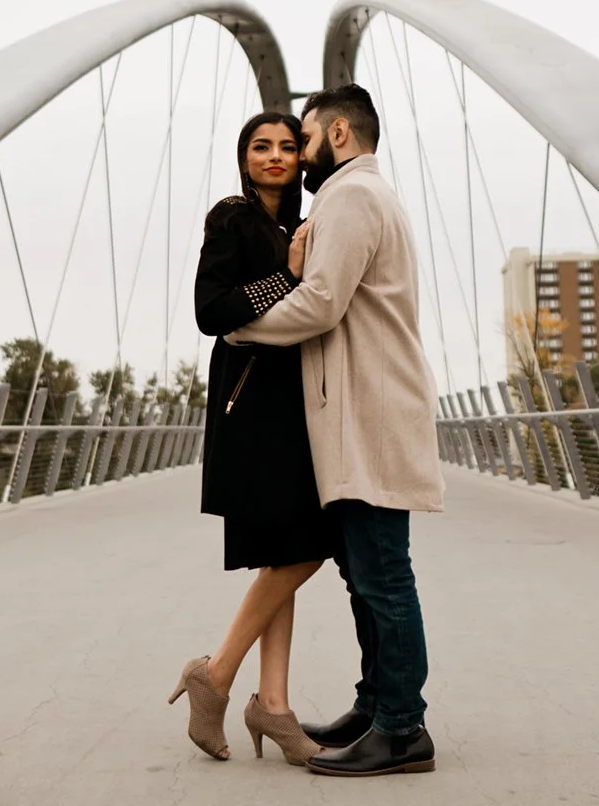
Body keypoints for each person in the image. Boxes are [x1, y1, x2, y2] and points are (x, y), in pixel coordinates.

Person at [227, 83, 445, 778]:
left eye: (307, 137)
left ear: (340, 135)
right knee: (365, 574)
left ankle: (402, 730)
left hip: (368, 415)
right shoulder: (362, 195)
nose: (299, 151)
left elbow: (321, 303)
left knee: (382, 576)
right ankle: (376, 707)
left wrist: (240, 328)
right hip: (360, 412)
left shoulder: (350, 196)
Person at [167, 111, 333, 767]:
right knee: (306, 547)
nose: (275, 156)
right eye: (260, 146)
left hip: (296, 406)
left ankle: (274, 705)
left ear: (301, 158)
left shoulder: (304, 225)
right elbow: (211, 311)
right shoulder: (232, 219)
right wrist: (286, 277)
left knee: (283, 551)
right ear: (244, 159)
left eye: (288, 146)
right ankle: (217, 674)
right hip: (251, 405)